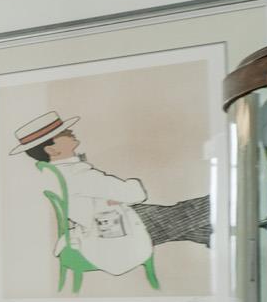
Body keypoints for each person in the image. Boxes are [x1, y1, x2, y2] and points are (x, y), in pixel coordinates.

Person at [10, 111, 157, 286]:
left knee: (185, 210)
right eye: (63, 133)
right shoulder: (77, 174)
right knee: (191, 211)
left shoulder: (52, 172)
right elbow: (136, 194)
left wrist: (113, 198)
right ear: (51, 149)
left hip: (99, 220)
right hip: (109, 231)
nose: (70, 132)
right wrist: (126, 191)